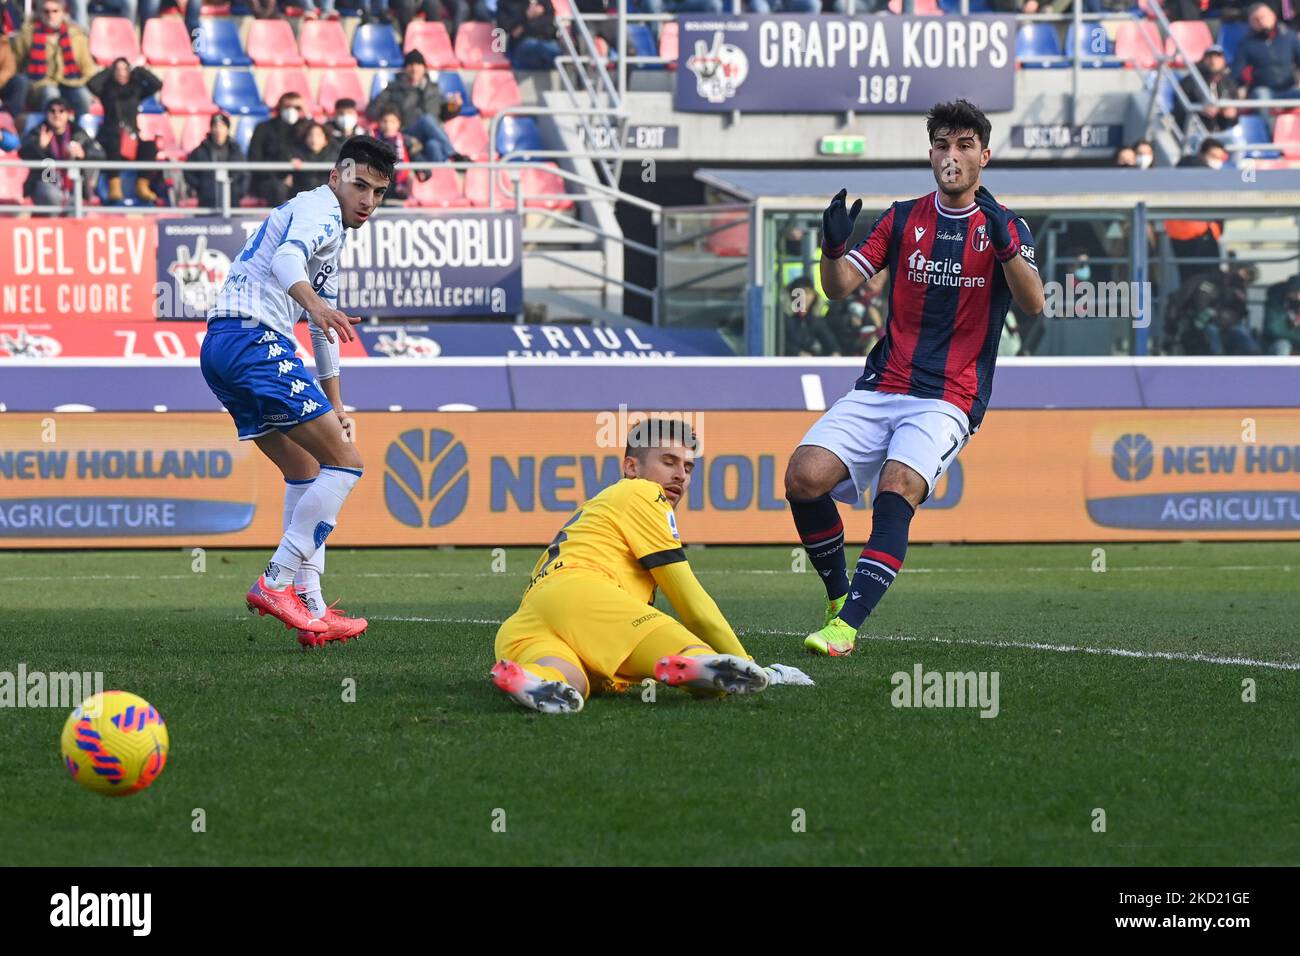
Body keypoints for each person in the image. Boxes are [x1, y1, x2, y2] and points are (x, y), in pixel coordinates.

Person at [787, 99, 1045, 657]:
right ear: (931, 154)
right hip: (883, 384)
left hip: (949, 398)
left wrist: (1006, 248)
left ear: (985, 156)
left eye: (965, 145)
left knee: (897, 486)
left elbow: (1033, 302)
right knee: (803, 476)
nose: (952, 156)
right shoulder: (902, 217)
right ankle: (838, 597)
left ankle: (846, 629)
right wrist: (831, 247)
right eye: (943, 145)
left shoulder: (1007, 225)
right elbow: (837, 288)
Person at [201, 136, 397, 645]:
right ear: (336, 177)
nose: (367, 201)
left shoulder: (330, 227)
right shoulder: (320, 209)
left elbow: (320, 327)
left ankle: (309, 603)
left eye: (378, 193)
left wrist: (336, 404)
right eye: (360, 186)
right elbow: (289, 265)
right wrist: (315, 307)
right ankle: (277, 580)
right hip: (253, 337)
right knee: (347, 463)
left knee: (306, 469)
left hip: (223, 346)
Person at [491, 418, 813, 714]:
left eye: (688, 467)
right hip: (584, 599)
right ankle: (698, 663)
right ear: (631, 467)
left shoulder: (602, 505)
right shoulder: (642, 492)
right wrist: (751, 664)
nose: (680, 475)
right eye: (668, 461)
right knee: (696, 654)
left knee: (571, 682)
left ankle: (533, 677)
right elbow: (689, 599)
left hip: (527, 620)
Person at [87, 57, 163, 203]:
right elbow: (91, 84)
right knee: (114, 142)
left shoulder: (136, 90)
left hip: (131, 138)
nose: (122, 73)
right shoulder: (106, 90)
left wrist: (139, 70)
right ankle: (114, 185)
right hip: (110, 136)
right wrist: (109, 71)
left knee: (149, 146)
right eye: (118, 69)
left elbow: (157, 84)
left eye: (125, 69)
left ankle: (142, 185)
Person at [366, 50, 462, 164]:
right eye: (411, 65)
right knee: (426, 120)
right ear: (405, 68)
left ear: (424, 68)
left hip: (428, 138)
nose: (415, 68)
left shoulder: (434, 89)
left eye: (418, 65)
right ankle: (453, 154)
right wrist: (387, 116)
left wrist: (454, 106)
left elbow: (444, 114)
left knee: (434, 146)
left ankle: (433, 178)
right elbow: (371, 111)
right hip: (407, 134)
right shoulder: (394, 89)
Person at [18, 95, 103, 211]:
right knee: (53, 196)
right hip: (46, 183)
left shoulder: (78, 133)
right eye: (52, 111)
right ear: (46, 114)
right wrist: (40, 148)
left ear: (68, 114)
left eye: (61, 111)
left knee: (75, 203)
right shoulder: (38, 132)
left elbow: (100, 155)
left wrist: (84, 154)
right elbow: (23, 154)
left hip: (73, 186)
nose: (56, 114)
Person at [11, 0, 97, 116]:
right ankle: (48, 130)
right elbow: (15, 63)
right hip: (40, 84)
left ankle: (81, 131)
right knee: (51, 95)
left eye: (55, 11)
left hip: (71, 82)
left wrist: (94, 90)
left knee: (83, 97)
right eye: (46, 11)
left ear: (62, 13)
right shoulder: (27, 34)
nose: (51, 15)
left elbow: (87, 67)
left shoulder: (76, 35)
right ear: (40, 13)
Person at [248, 92, 310, 207]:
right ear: (279, 107)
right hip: (269, 180)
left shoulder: (308, 129)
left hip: (301, 179)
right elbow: (254, 159)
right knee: (278, 190)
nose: (292, 111)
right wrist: (281, 177)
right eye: (287, 107)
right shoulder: (263, 128)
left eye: (297, 107)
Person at [1233, 2, 1300, 100]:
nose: (1260, 22)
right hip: (1264, 91)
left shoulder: (1289, 37)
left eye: (1263, 17)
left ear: (1273, 16)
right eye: (1256, 19)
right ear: (1250, 23)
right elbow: (1236, 73)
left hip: (1289, 88)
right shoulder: (1245, 44)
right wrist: (1245, 76)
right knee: (1261, 96)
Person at [185, 112, 249, 208]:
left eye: (222, 126)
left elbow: (245, 174)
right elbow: (188, 171)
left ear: (227, 129)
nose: (219, 130)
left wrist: (238, 191)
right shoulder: (200, 150)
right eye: (215, 126)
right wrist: (201, 187)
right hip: (207, 205)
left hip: (233, 204)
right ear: (211, 129)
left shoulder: (236, 151)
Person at [1175, 45, 1241, 133]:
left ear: (1224, 60)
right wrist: (1199, 109)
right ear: (1203, 60)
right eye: (1209, 57)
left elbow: (1236, 106)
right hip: (1198, 131)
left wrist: (1232, 112)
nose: (1213, 61)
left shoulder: (1229, 82)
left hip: (1224, 130)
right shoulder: (1191, 81)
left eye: (1217, 57)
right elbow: (1179, 108)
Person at [783, 274, 841, 356]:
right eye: (799, 293)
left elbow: (830, 343)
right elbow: (779, 343)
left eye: (808, 293)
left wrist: (835, 353)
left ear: (814, 296)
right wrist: (798, 353)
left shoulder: (817, 320)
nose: (804, 297)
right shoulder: (783, 319)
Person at [497, 0, 563, 70]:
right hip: (520, 44)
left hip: (546, 39)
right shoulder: (506, 2)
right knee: (550, 50)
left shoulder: (544, 2)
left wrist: (523, 26)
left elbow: (548, 22)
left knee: (555, 50)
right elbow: (504, 26)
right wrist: (527, 15)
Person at [292, 121, 339, 192]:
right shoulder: (296, 154)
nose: (314, 139)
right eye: (310, 135)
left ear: (326, 140)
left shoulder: (335, 155)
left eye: (318, 135)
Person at [1262, 275, 1300, 354]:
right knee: (1283, 346)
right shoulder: (1275, 304)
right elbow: (1276, 331)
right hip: (1274, 343)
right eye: (1296, 291)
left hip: (1296, 342)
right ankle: (1280, 367)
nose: (1298, 295)